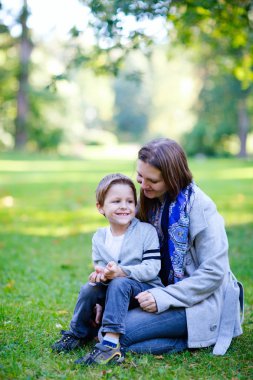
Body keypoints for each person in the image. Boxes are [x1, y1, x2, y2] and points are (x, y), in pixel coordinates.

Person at [108, 137, 242, 357]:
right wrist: (108, 297)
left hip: (198, 300)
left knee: (121, 336)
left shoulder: (201, 208)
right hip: (156, 288)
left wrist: (163, 297)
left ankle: (197, 336)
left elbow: (214, 273)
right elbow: (133, 256)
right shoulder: (150, 200)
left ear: (172, 178)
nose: (143, 185)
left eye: (152, 180)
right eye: (140, 176)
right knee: (108, 326)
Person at [52, 173, 163, 365]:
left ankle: (110, 344)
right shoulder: (99, 237)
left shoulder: (146, 232)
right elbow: (101, 267)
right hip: (115, 290)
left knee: (120, 283)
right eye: (116, 201)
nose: (124, 206)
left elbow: (152, 268)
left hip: (143, 290)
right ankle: (78, 332)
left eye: (130, 201)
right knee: (89, 288)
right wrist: (100, 276)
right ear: (100, 207)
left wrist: (122, 271)